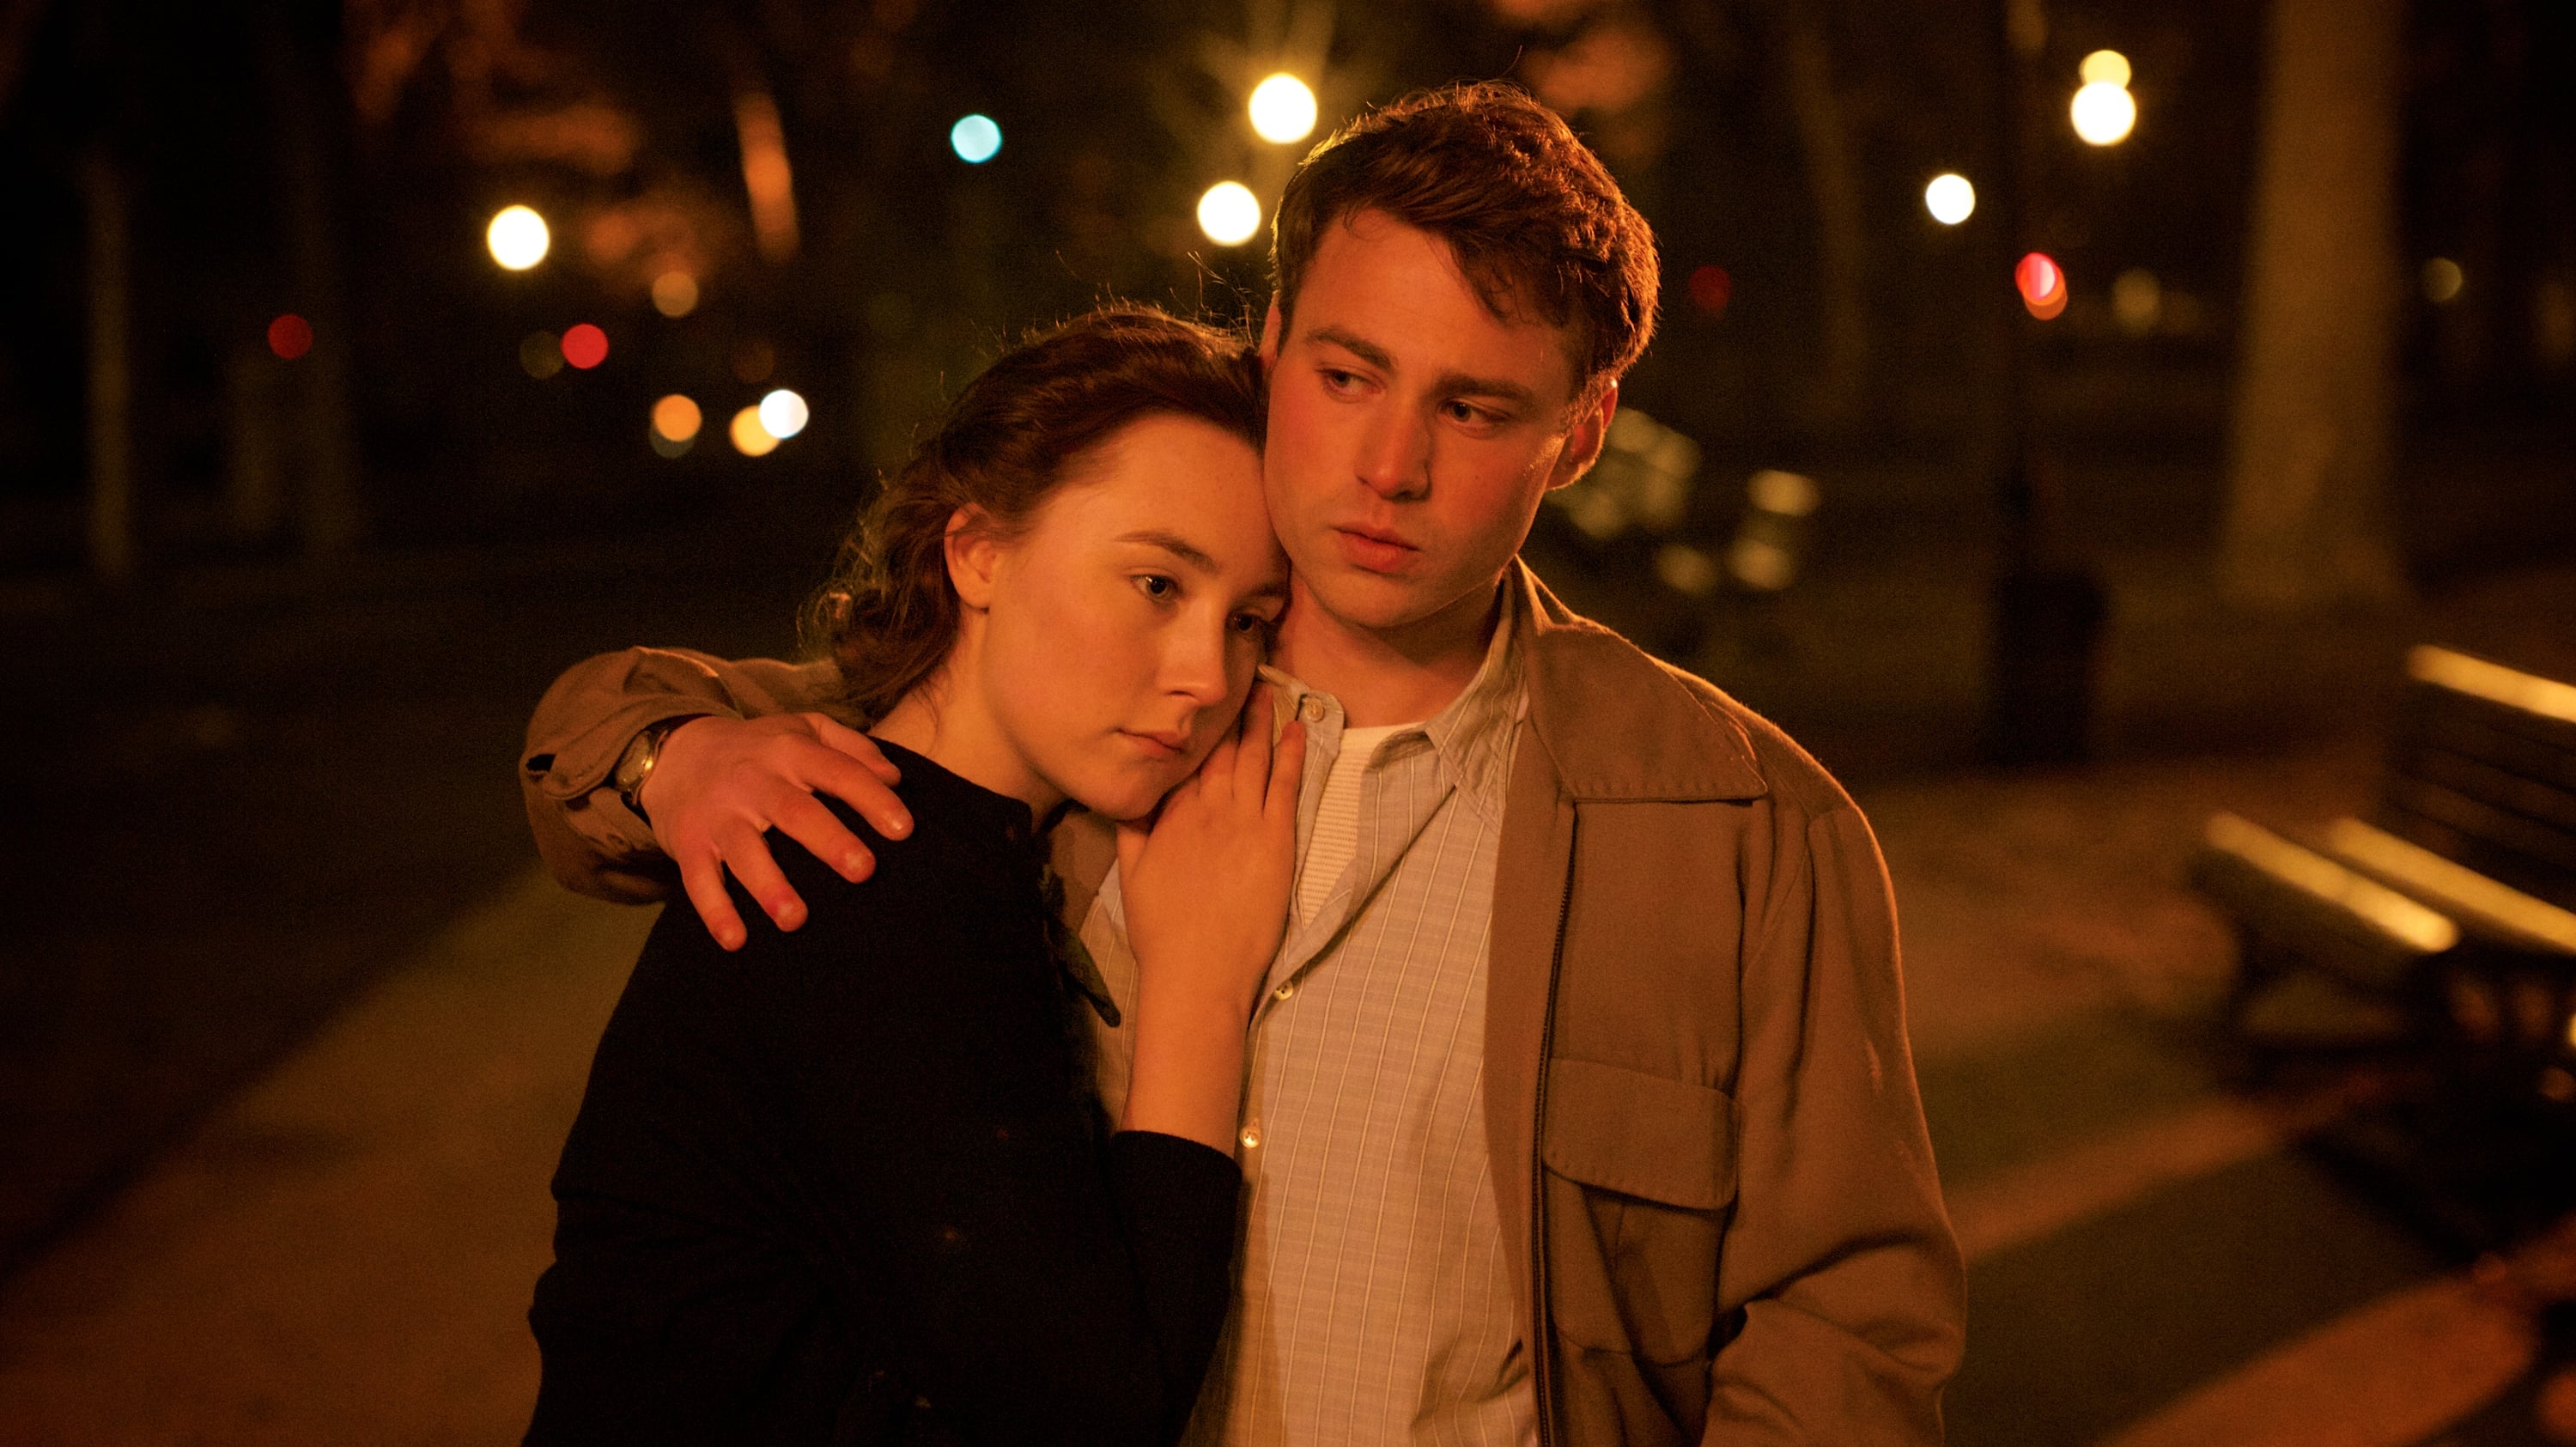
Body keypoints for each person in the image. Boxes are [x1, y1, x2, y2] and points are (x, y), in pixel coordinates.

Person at [521, 83, 1965, 1444]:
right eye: (1347, 374)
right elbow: (700, 735)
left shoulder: (1739, 829)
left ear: (1580, 433)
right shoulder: (1097, 708)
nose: (1389, 465)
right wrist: (669, 755)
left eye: (1471, 409)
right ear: (1272, 344)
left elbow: (1845, 1329)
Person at [524, 307, 1309, 1445]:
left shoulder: (939, 841)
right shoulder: (864, 870)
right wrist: (1200, 987)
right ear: (976, 550)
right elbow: (1100, 1408)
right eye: (1155, 584)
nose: (1206, 675)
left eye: (1249, 622)